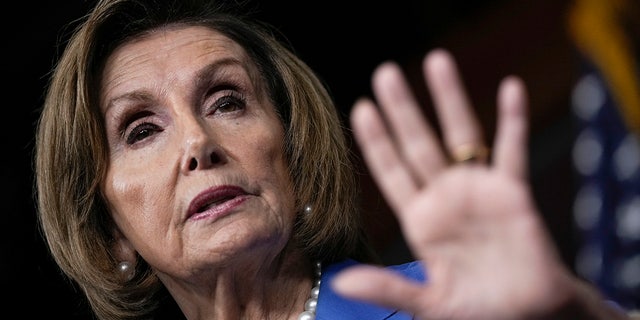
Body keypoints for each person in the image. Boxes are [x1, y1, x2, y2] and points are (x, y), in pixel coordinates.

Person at [33, 0, 637, 319]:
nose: (197, 142)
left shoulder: (456, 305)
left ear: (293, 153)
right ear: (110, 232)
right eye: (141, 131)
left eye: (227, 100)